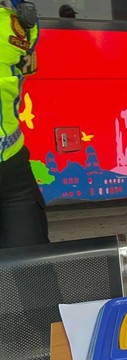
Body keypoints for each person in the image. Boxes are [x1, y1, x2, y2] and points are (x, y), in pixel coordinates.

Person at [1, 0, 49, 246]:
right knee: (35, 271)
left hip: (13, 171)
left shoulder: (18, 18)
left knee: (35, 271)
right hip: (13, 170)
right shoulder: (19, 19)